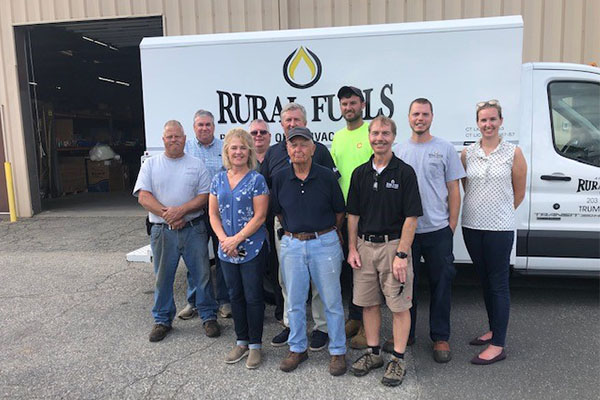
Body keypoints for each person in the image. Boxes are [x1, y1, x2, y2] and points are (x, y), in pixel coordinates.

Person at [387, 98, 465, 363]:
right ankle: (407, 335)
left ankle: (440, 337)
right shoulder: (398, 150)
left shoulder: (444, 149)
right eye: (415, 114)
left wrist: (451, 225)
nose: (420, 118)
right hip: (408, 233)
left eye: (425, 114)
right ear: (408, 118)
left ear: (432, 116)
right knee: (408, 284)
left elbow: (454, 189)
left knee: (441, 284)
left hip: (438, 230)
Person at [347, 116, 422, 387]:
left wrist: (402, 254)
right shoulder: (359, 173)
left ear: (393, 137)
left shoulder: (404, 172)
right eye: (375, 133)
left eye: (385, 133)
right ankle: (374, 352)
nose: (380, 138)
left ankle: (398, 358)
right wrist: (352, 248)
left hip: (393, 247)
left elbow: (411, 218)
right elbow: (352, 215)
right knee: (368, 303)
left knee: (399, 306)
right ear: (369, 137)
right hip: (365, 247)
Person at [260, 103, 338, 351]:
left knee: (318, 283)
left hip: (319, 231)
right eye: (287, 120)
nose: (292, 124)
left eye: (297, 120)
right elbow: (268, 192)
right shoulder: (273, 153)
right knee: (287, 280)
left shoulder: (321, 151)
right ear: (282, 125)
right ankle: (291, 326)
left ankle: (320, 328)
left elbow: (334, 196)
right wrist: (285, 225)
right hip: (286, 228)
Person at [133, 120, 220, 341]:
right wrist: (168, 215)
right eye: (169, 137)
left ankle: (209, 316)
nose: (174, 140)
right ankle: (162, 320)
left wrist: (180, 212)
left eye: (178, 136)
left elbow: (205, 196)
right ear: (163, 140)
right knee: (163, 278)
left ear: (184, 138)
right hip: (163, 231)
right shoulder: (151, 165)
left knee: (202, 275)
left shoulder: (196, 164)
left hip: (193, 229)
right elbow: (143, 196)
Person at [271, 126, 347, 376]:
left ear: (313, 149)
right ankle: (297, 348)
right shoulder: (281, 177)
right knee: (293, 301)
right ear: (288, 149)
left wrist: (325, 234)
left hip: (324, 243)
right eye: (293, 145)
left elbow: (339, 210)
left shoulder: (326, 176)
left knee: (331, 301)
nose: (298, 149)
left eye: (303, 144)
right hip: (292, 245)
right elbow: (279, 211)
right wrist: (296, 232)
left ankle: (337, 351)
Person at [460, 99, 527, 365]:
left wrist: (499, 212)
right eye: (483, 120)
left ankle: (498, 344)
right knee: (485, 281)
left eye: (492, 119)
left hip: (499, 228)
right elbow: (467, 186)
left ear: (501, 121)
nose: (488, 124)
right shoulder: (468, 153)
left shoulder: (513, 153)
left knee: (498, 284)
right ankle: (493, 329)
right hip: (472, 226)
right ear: (477, 123)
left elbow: (518, 191)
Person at [208, 128, 269, 369]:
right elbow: (212, 214)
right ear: (226, 152)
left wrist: (237, 239)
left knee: (254, 296)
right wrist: (225, 239)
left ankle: (255, 345)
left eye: (243, 148)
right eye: (234, 147)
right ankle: (241, 341)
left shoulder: (257, 180)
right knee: (234, 295)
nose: (238, 152)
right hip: (226, 249)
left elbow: (260, 216)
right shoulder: (218, 179)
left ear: (249, 151)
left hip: (252, 247)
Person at [178, 110, 231, 321]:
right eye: (200, 125)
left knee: (223, 257)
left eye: (208, 124)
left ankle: (224, 301)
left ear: (214, 127)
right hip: (195, 211)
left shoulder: (224, 148)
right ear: (194, 128)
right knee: (196, 258)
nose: (204, 128)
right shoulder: (187, 149)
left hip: (221, 212)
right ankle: (194, 302)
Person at [330, 85, 373, 349]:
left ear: (362, 106)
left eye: (353, 103)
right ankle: (355, 318)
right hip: (345, 215)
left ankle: (369, 327)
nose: (349, 108)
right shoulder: (337, 137)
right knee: (350, 269)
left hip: (368, 214)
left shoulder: (371, 133)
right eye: (345, 104)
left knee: (367, 271)